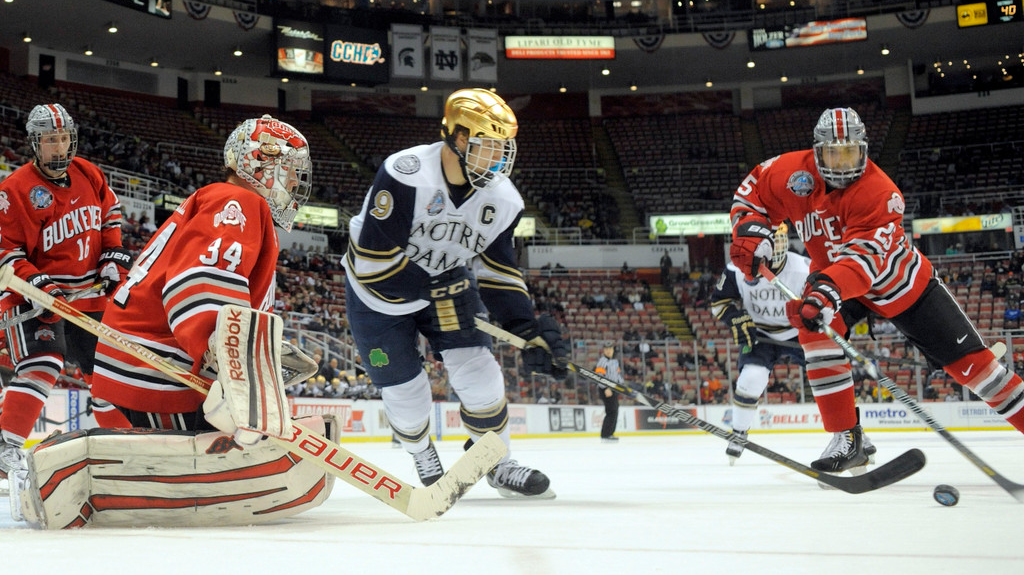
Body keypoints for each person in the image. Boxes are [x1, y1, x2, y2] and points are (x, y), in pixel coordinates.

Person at [9, 115, 335, 528]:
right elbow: (199, 289)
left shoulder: (225, 202)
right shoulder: (236, 202)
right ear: (262, 165)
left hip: (137, 375)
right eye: (290, 175)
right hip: (156, 380)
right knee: (263, 430)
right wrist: (235, 377)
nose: (294, 187)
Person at [729, 107, 1024, 473]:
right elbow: (753, 192)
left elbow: (863, 262)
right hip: (834, 280)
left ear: (864, 150)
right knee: (814, 327)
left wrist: (826, 291)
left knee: (978, 371)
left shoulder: (881, 193)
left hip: (901, 286)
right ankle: (847, 438)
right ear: (817, 150)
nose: (841, 163)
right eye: (833, 153)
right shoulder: (790, 172)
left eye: (850, 152)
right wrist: (749, 228)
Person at [344, 88, 568, 499]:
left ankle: (497, 463)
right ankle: (421, 452)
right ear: (459, 138)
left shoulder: (502, 198)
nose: (500, 160)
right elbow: (372, 262)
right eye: (491, 147)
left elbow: (500, 269)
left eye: (505, 149)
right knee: (407, 395)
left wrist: (527, 328)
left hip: (446, 286)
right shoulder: (405, 173)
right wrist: (435, 285)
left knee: (482, 374)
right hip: (378, 297)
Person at [0, 103, 134, 486]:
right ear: (34, 144)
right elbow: (6, 251)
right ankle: (5, 445)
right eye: (50, 141)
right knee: (46, 361)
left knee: (107, 375)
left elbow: (110, 215)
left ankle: (127, 446)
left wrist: (111, 258)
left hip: (87, 299)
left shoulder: (88, 173)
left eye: (63, 139)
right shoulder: (14, 190)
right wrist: (37, 284)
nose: (59, 148)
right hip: (32, 298)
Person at [711, 223, 876, 465]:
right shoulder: (736, 270)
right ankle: (738, 433)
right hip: (761, 335)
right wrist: (734, 317)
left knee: (829, 377)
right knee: (751, 379)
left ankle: (851, 433)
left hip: (798, 331)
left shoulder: (803, 267)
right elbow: (719, 302)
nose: (775, 246)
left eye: (778, 239)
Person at [594, 340, 622, 441]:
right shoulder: (602, 362)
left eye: (610, 349)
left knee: (615, 410)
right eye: (607, 349)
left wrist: (622, 385)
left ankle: (610, 433)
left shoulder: (615, 361)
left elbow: (617, 375)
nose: (609, 351)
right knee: (611, 411)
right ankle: (606, 434)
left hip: (614, 389)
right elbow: (599, 376)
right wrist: (606, 388)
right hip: (606, 389)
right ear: (604, 350)